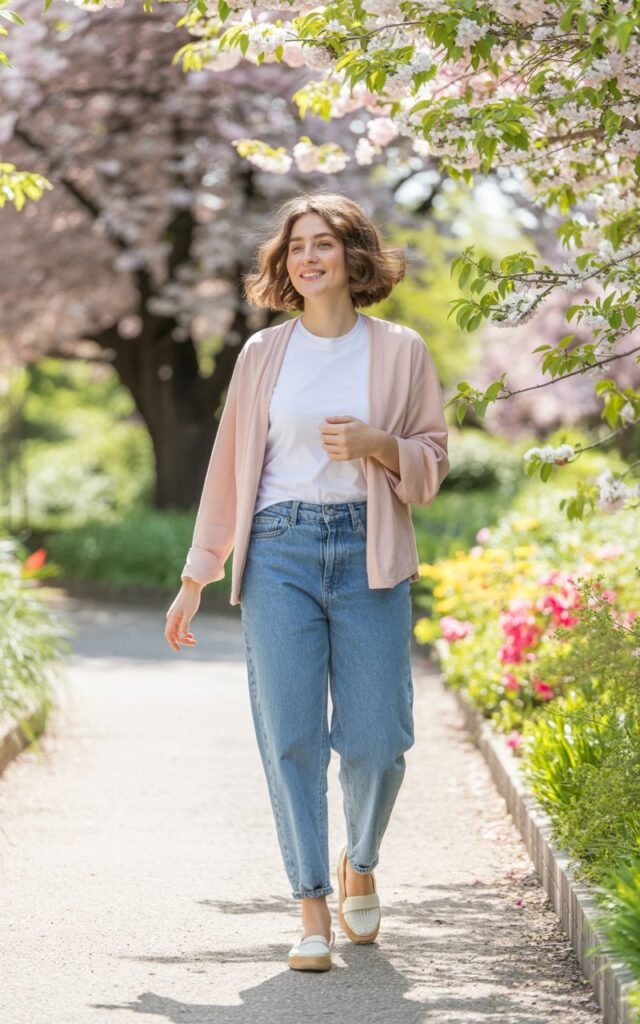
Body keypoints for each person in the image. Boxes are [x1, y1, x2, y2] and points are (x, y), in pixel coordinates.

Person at [164, 191, 450, 972]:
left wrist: (379, 443)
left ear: (354, 256)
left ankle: (362, 859)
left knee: (377, 741)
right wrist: (198, 575)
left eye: (323, 243)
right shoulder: (263, 355)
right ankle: (312, 908)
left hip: (370, 551)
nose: (308, 258)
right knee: (289, 737)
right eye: (296, 248)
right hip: (280, 549)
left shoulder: (400, 350)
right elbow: (229, 473)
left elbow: (432, 462)